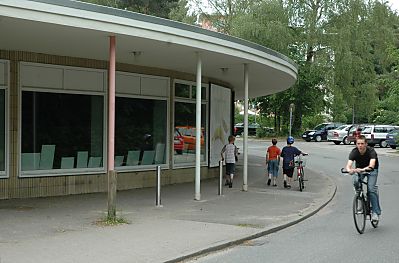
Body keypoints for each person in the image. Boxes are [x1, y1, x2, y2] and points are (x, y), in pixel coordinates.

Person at [345, 135, 381, 222]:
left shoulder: (371, 151)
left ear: (366, 144)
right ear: (356, 144)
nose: (360, 146)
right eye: (358, 144)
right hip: (360, 170)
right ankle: (359, 197)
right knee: (355, 180)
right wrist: (349, 170)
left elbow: (372, 165)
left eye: (362, 143)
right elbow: (348, 165)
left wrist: (362, 169)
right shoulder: (354, 152)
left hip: (371, 170)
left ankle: (375, 213)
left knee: (371, 189)